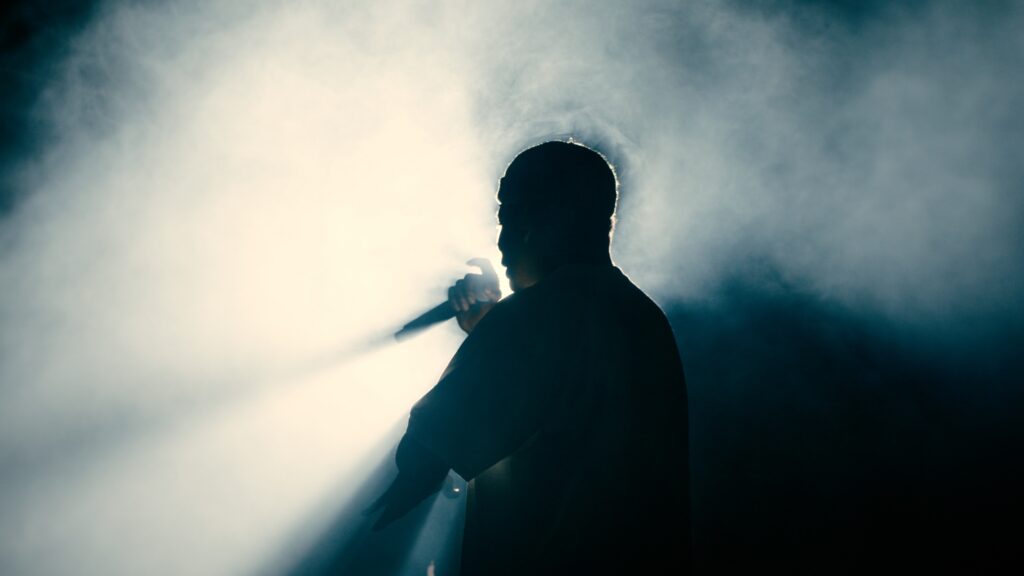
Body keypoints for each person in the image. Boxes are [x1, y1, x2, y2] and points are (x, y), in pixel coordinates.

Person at [369, 141, 690, 574]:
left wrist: (494, 330)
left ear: (544, 221)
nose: (503, 240)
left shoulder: (531, 316)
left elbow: (424, 459)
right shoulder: (644, 317)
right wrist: (490, 329)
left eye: (510, 218)